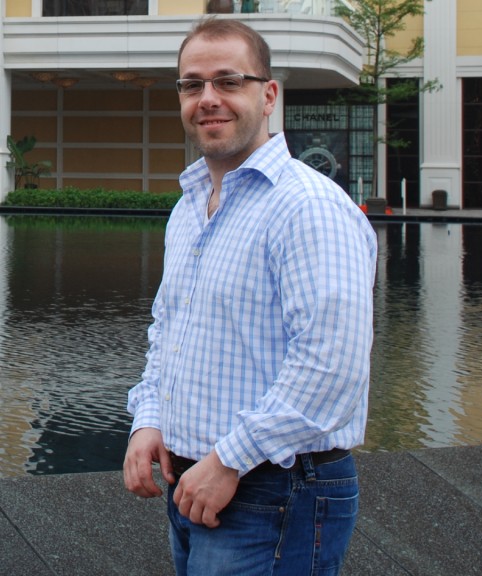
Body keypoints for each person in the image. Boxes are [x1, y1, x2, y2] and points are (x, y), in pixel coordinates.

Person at [122, 17, 377, 575]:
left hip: (277, 490)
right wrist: (150, 418)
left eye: (228, 81)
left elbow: (331, 366)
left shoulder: (307, 207)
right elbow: (170, 328)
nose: (208, 99)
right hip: (195, 481)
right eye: (193, 85)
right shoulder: (190, 206)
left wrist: (228, 460)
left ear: (268, 95)